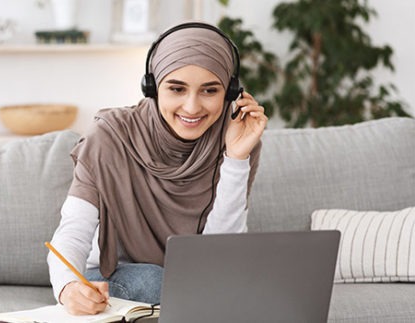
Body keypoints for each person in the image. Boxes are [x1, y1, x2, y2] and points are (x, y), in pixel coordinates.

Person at [47, 21, 268, 316]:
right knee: (155, 280)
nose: (192, 107)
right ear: (152, 87)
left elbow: (221, 255)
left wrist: (237, 158)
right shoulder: (110, 135)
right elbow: (73, 230)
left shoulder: (236, 137)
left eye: (209, 90)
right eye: (177, 88)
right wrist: (69, 287)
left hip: (194, 281)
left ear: (229, 91)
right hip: (117, 277)